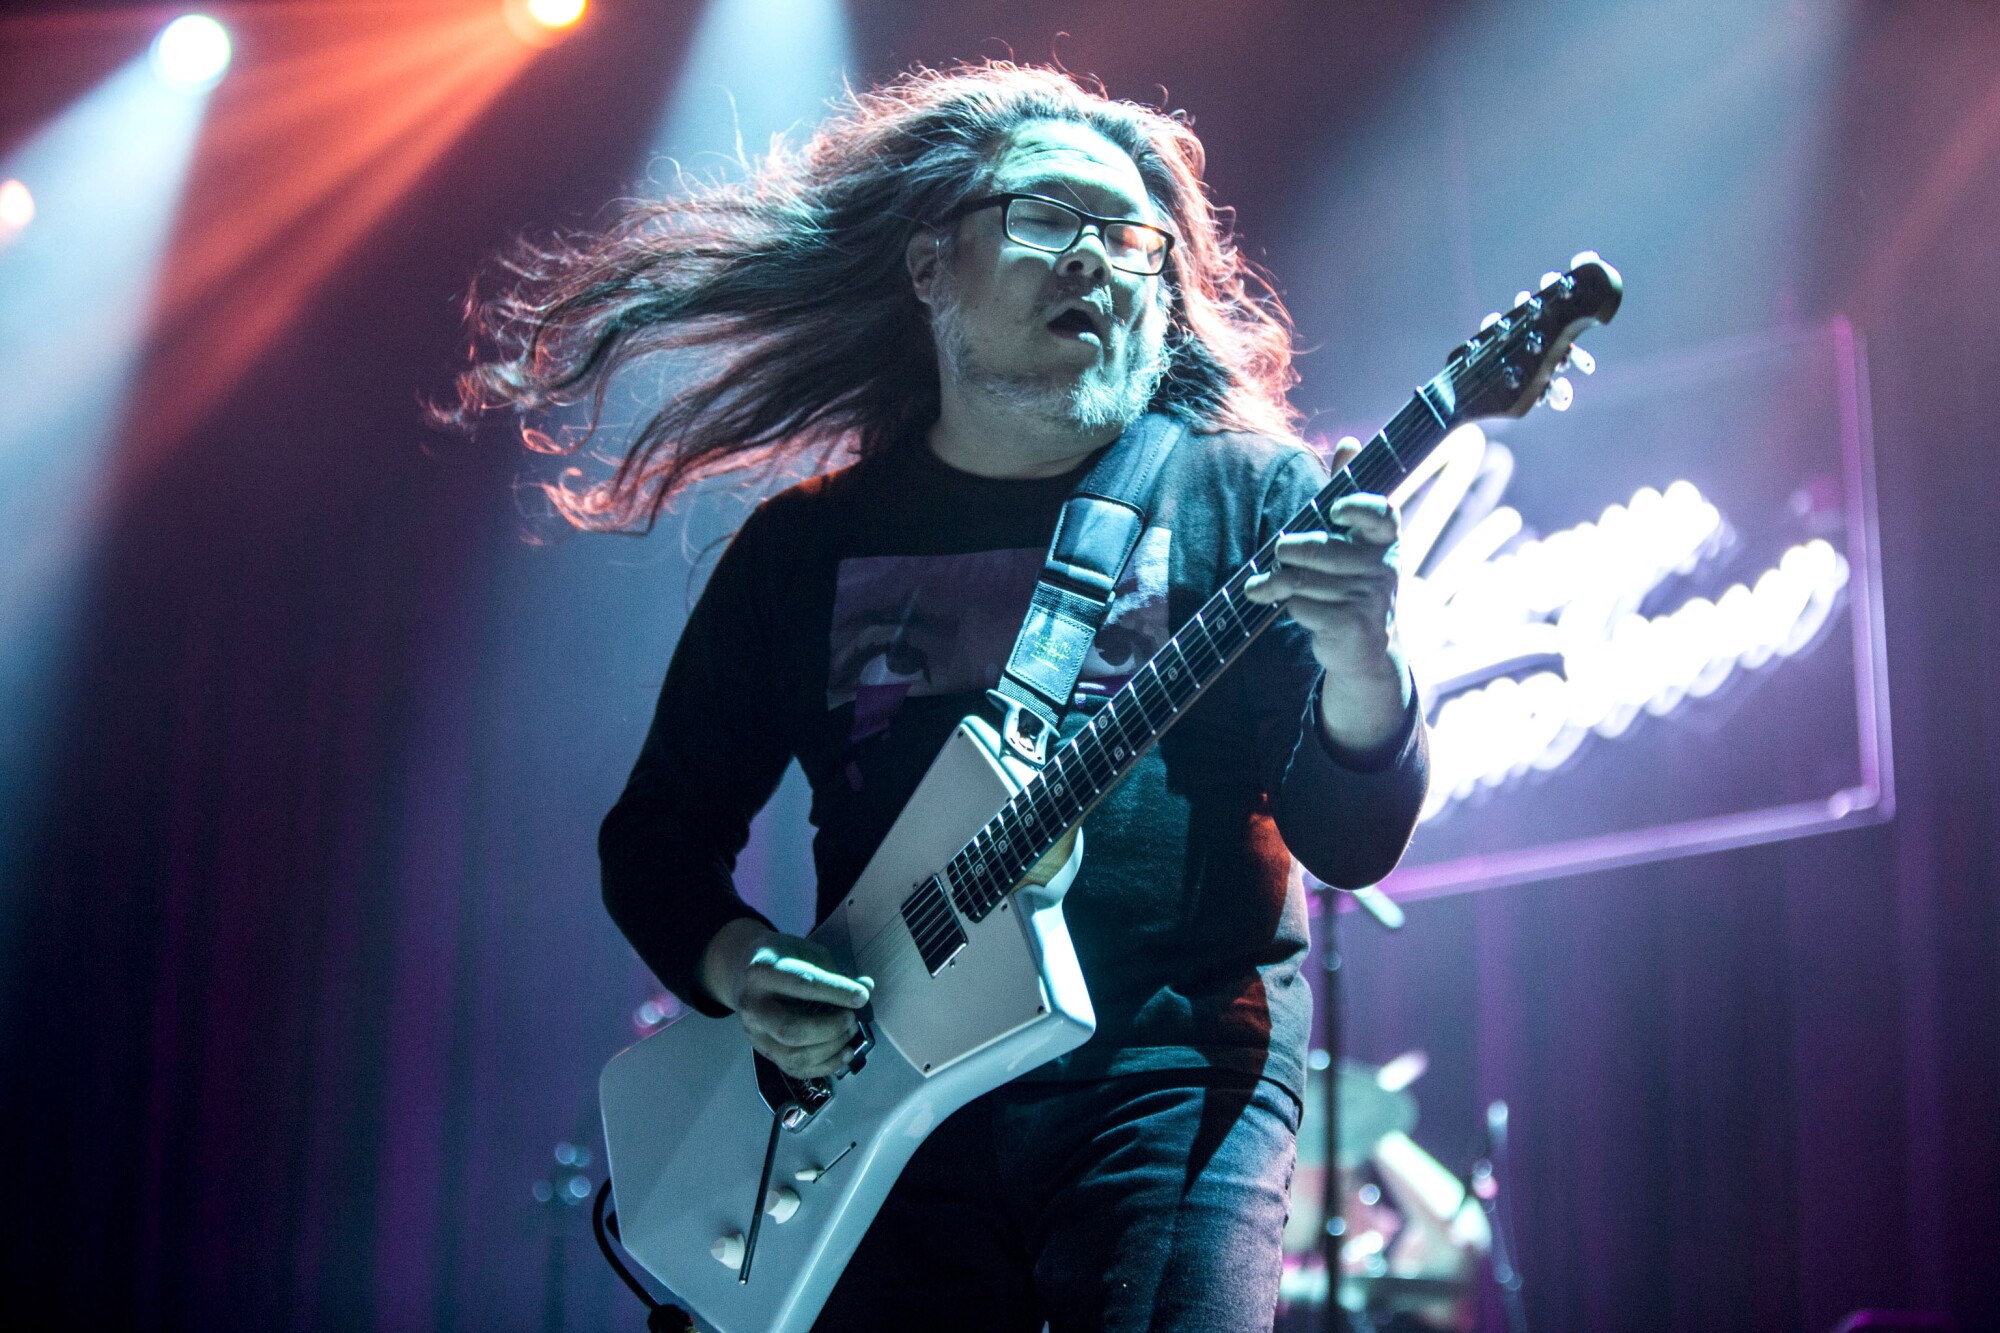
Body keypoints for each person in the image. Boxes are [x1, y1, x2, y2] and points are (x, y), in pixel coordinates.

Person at [447, 61, 1428, 1333]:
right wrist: (748, 974)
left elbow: (1350, 838)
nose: (1095, 260)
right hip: (881, 1108)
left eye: (1130, 237)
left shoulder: (1241, 498)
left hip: (1168, 1077)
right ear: (928, 267)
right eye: (1042, 220)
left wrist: (1365, 660)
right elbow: (655, 842)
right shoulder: (806, 550)